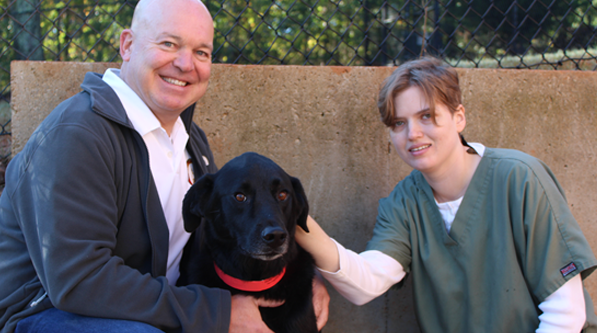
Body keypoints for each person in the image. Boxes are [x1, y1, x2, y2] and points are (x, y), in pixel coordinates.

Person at [0, 0, 329, 332]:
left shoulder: (188, 139)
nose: (186, 64)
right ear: (127, 45)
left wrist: (293, 282)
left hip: (160, 305)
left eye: (202, 52)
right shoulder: (78, 135)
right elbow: (80, 280)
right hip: (48, 313)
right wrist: (214, 312)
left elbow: (217, 238)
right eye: (169, 44)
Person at [296, 57, 597, 332]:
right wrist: (292, 218)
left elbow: (565, 313)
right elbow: (365, 283)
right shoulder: (405, 202)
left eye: (426, 116)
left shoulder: (519, 178)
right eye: (399, 123)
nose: (412, 133)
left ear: (459, 117)